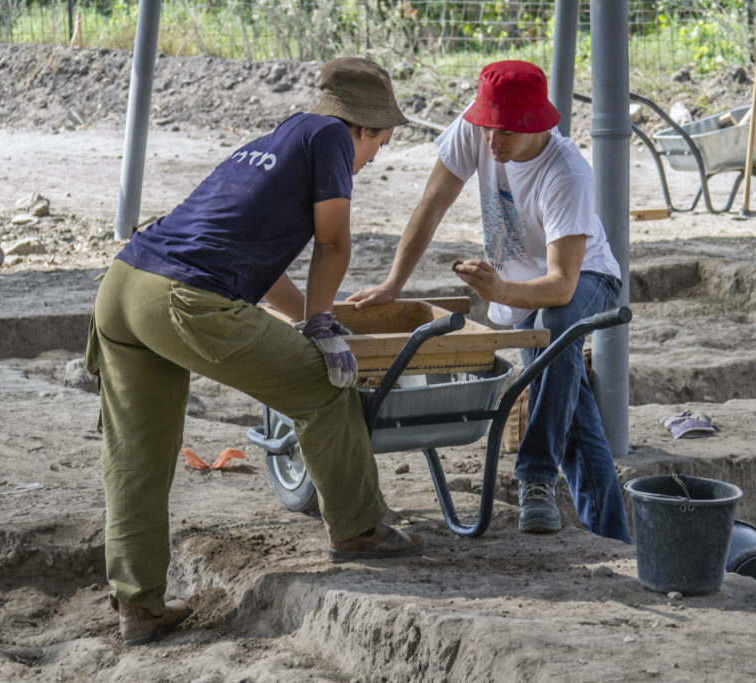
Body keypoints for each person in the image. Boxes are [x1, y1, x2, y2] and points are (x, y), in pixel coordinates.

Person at [84, 57, 425, 647]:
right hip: (182, 299)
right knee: (323, 387)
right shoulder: (330, 139)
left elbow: (261, 271)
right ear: (363, 127)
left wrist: (312, 318)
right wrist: (322, 326)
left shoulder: (278, 139)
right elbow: (335, 240)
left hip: (122, 286)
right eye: (382, 143)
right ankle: (358, 529)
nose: (375, 158)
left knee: (137, 456)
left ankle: (138, 605)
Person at [349, 60, 631, 544]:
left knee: (557, 325)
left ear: (536, 125)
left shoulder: (566, 174)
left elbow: (562, 285)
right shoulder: (476, 128)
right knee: (573, 418)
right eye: (486, 129)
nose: (491, 144)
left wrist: (499, 291)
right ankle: (616, 540)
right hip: (523, 295)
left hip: (585, 279)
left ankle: (534, 477)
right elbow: (432, 203)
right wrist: (394, 284)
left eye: (504, 134)